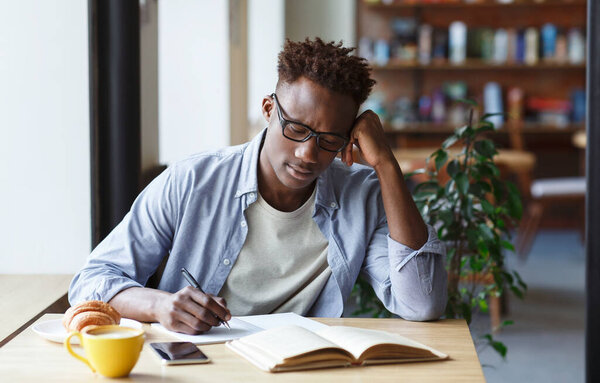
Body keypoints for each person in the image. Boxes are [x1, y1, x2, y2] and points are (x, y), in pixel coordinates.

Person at [69, 38, 447, 334]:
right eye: (296, 128)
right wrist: (159, 306)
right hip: (202, 364)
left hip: (305, 367)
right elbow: (91, 282)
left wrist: (387, 165)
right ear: (268, 110)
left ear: (349, 138)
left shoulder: (360, 195)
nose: (306, 154)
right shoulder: (193, 181)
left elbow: (421, 303)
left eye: (329, 139)